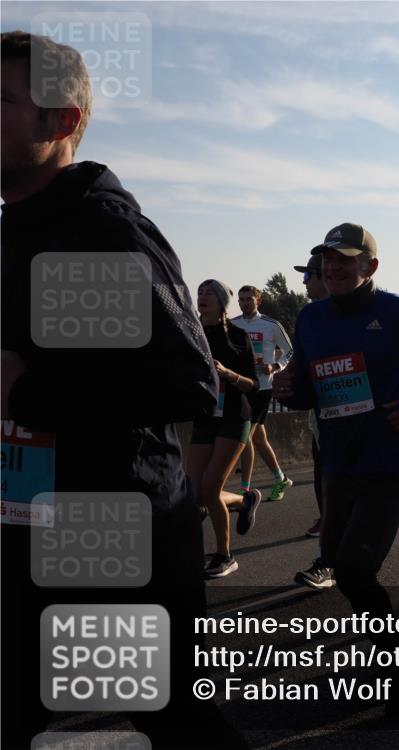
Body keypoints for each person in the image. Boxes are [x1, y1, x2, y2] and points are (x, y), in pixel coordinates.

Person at [0, 30, 245, 748]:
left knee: (173, 717)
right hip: (33, 515)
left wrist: (29, 395)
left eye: (1, 100)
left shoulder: (97, 230)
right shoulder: (22, 229)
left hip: (113, 522)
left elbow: (187, 382)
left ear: (61, 122)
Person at [273, 222, 399, 717]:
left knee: (356, 569)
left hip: (390, 458)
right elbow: (313, 388)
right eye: (327, 260)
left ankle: (398, 665)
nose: (333, 267)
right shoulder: (310, 318)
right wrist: (292, 391)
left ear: (369, 266)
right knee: (339, 562)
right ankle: (391, 648)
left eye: (345, 259)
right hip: (339, 458)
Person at [189, 280, 261, 578]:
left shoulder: (238, 337)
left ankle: (224, 555)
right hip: (205, 417)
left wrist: (227, 373)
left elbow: (253, 384)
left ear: (221, 303)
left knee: (210, 487)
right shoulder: (191, 333)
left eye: (209, 293)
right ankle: (244, 500)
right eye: (200, 292)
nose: (202, 297)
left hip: (234, 416)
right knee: (193, 493)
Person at [231, 285, 295, 501]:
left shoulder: (271, 325)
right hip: (241, 387)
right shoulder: (233, 324)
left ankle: (245, 489)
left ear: (259, 300)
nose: (244, 302)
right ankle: (280, 478)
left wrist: (275, 367)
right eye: (241, 299)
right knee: (258, 439)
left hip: (263, 388)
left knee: (245, 436)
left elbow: (290, 351)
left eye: (249, 298)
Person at [292, 254, 328, 537]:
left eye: (307, 276)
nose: (304, 283)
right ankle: (325, 519)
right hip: (319, 408)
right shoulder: (307, 316)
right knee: (320, 467)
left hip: (349, 410)